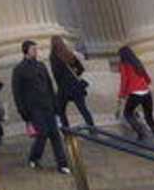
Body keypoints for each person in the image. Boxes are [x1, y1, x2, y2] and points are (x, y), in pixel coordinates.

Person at [13, 38, 70, 174]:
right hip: (33, 108)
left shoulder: (41, 66)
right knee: (42, 133)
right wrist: (23, 111)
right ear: (26, 51)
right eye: (33, 49)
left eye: (36, 49)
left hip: (48, 105)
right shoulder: (19, 69)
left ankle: (62, 164)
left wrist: (55, 105)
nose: (36, 51)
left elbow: (49, 85)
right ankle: (34, 157)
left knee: (55, 134)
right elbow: (17, 92)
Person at [116, 46, 154, 147]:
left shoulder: (124, 65)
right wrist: (146, 83)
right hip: (146, 92)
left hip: (135, 93)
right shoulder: (137, 62)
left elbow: (124, 80)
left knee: (127, 113)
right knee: (149, 117)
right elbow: (146, 77)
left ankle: (141, 133)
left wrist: (121, 95)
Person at [50, 36, 96, 131]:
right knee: (83, 109)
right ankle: (92, 128)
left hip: (64, 88)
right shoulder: (68, 53)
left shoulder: (53, 56)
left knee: (60, 110)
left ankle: (67, 130)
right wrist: (73, 75)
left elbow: (56, 75)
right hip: (76, 86)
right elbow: (80, 69)